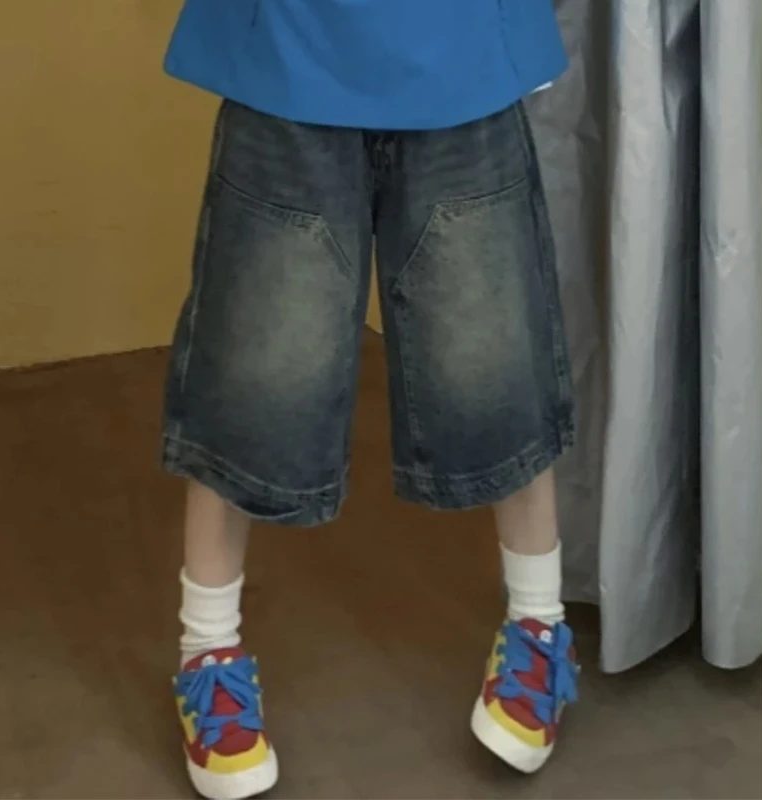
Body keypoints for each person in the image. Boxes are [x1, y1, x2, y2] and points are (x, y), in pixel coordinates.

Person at [162, 2, 579, 797]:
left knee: (495, 358)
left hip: (465, 52)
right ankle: (206, 650)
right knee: (254, 368)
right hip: (284, 52)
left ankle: (540, 627)